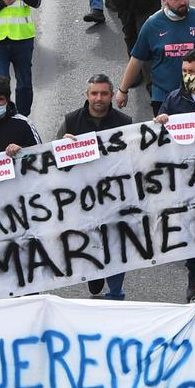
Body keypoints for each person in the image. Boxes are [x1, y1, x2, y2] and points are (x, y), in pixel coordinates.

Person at [60, 77, 132, 298]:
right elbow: (56, 164)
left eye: (103, 94)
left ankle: (116, 291)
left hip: (114, 198)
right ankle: (95, 273)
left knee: (116, 245)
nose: (98, 98)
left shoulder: (125, 122)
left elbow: (134, 159)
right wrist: (64, 146)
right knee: (91, 243)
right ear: (87, 95)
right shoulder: (71, 121)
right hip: (83, 199)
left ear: (111, 95)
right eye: (94, 94)